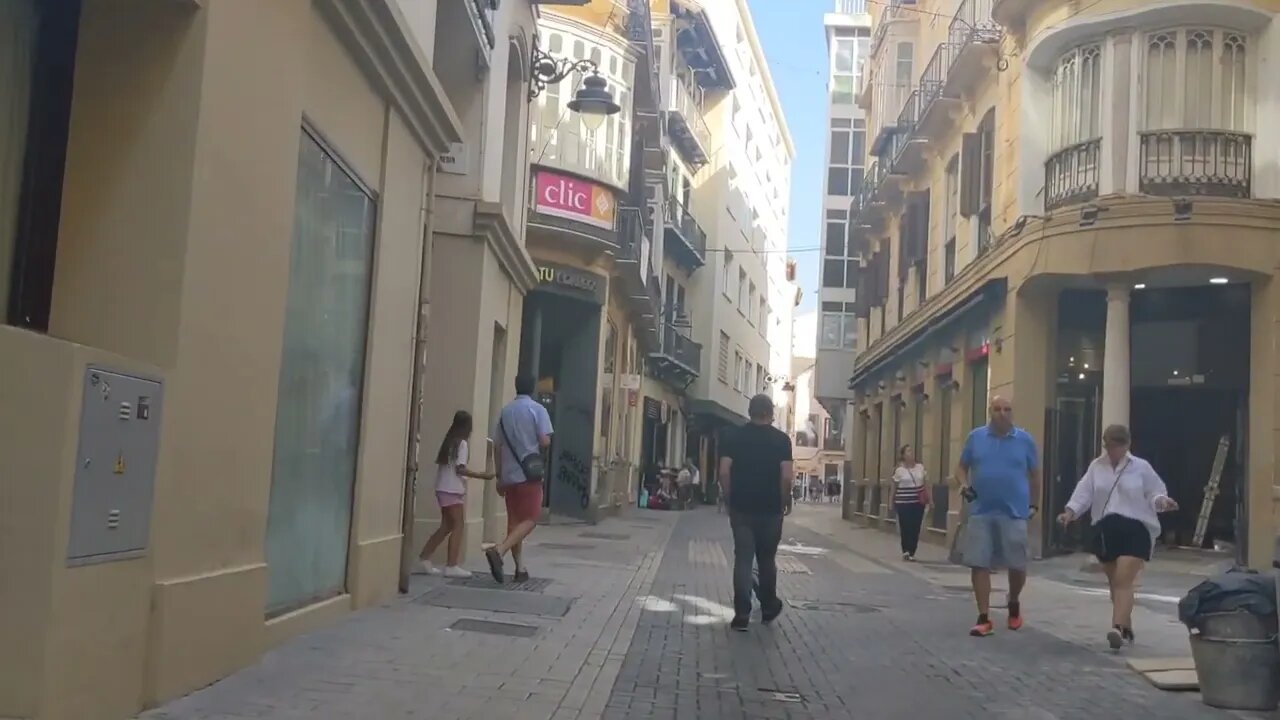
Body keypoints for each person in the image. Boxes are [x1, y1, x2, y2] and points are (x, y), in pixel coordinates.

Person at [1058, 424, 1178, 650]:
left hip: (1136, 528)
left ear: (1127, 444)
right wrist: (1070, 513)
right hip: (1106, 529)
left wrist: (1162, 502)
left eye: (1117, 445)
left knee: (1124, 579)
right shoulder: (1097, 466)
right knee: (1116, 583)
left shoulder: (1141, 467)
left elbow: (1154, 492)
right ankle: (1126, 624)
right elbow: (1084, 493)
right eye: (1109, 445)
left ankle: (1118, 628)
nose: (1112, 450)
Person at [956, 395, 1041, 637]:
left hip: (1014, 511)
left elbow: (1035, 475)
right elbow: (961, 467)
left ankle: (1013, 600)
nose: (1002, 413)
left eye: (1007, 409)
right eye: (997, 409)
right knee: (979, 563)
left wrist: (1034, 505)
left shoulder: (1024, 440)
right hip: (981, 510)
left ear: (1012, 413)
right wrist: (963, 484)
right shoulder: (976, 437)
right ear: (989, 412)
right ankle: (984, 617)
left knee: (1017, 564)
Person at [718, 394, 794, 632]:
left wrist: (729, 497)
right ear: (770, 413)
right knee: (766, 560)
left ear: (750, 412)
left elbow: (723, 471)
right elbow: (786, 475)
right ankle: (769, 606)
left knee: (742, 559)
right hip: (770, 508)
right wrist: (784, 500)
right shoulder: (782, 440)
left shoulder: (733, 436)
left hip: (741, 507)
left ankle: (741, 614)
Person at [485, 374, 553, 584]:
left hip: (509, 475)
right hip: (529, 474)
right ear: (532, 388)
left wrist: (499, 476)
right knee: (532, 519)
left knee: (514, 523)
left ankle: (520, 569)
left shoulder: (505, 412)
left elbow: (496, 445)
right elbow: (544, 441)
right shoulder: (537, 410)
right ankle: (500, 550)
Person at [419, 410, 495, 578]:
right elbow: (460, 469)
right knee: (458, 525)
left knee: (446, 526)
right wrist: (482, 475)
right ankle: (451, 565)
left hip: (442, 488)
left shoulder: (449, 442)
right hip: (452, 489)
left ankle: (424, 558)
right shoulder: (462, 444)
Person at [892, 444, 929, 561]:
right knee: (905, 526)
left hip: (918, 502)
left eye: (912, 451)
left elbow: (927, 484)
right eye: (908, 451)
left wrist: (930, 500)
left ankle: (912, 551)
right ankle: (906, 550)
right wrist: (891, 501)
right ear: (903, 455)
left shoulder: (920, 468)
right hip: (903, 502)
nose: (911, 453)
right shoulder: (899, 470)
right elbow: (894, 487)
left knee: (915, 526)